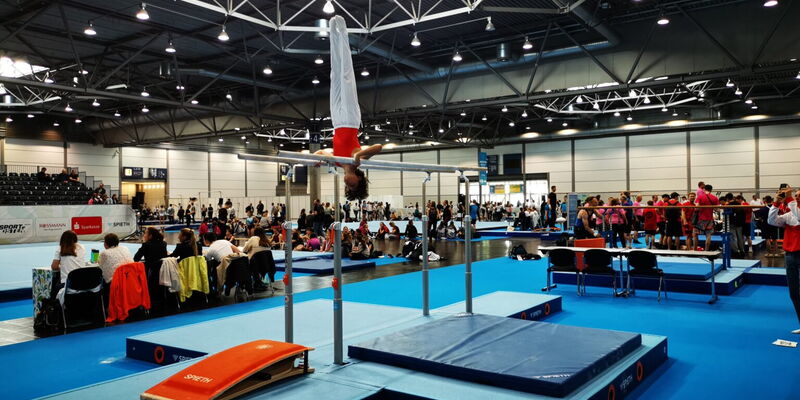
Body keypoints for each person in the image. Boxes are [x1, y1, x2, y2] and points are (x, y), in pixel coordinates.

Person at [313, 16, 383, 201]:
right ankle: (343, 33)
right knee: (345, 76)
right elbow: (379, 146)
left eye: (347, 187)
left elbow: (320, 152)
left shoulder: (337, 161)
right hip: (351, 119)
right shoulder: (357, 160)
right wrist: (359, 153)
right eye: (352, 185)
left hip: (337, 120)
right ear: (359, 178)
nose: (347, 183)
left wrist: (317, 159)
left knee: (334, 75)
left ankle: (332, 34)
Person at [767, 186, 800, 334]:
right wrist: (775, 203)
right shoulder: (789, 214)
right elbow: (772, 221)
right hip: (790, 255)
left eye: (799, 195)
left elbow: (799, 216)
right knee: (794, 293)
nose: (796, 197)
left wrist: (789, 198)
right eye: (796, 195)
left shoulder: (796, 211)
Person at [50, 230, 87, 305]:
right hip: (82, 282)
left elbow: (54, 267)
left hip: (67, 284)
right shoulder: (82, 248)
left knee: (54, 289)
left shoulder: (60, 249)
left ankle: (54, 309)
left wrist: (62, 267)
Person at [133, 227, 168, 306]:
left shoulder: (146, 245)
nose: (144, 235)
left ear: (150, 236)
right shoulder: (163, 244)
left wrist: (143, 244)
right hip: (162, 271)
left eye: (145, 233)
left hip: (151, 272)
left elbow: (136, 258)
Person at [694, 182, 719, 251]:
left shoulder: (700, 197)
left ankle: (695, 250)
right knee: (708, 235)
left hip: (700, 218)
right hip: (709, 218)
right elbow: (717, 209)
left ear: (704, 189)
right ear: (711, 190)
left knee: (695, 234)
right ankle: (706, 250)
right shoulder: (715, 198)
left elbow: (696, 208)